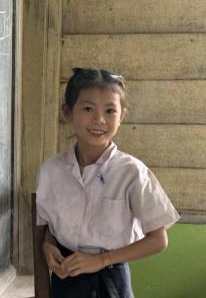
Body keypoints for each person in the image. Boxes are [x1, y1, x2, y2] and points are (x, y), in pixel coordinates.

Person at [35, 67, 180, 298]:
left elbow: (158, 240)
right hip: (66, 278)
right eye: (88, 108)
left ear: (122, 116)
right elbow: (50, 226)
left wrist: (101, 260)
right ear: (68, 112)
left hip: (111, 279)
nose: (99, 120)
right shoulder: (51, 171)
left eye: (110, 110)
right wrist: (48, 246)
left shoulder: (131, 172)